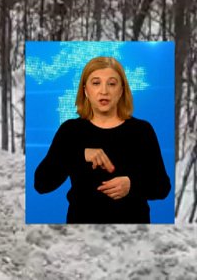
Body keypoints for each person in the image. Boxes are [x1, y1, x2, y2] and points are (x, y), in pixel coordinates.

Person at [33, 56, 171, 224]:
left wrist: (132, 185)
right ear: (85, 90)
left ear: (121, 91)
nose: (104, 91)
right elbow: (41, 184)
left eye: (112, 84)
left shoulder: (142, 130)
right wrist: (79, 154)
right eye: (96, 83)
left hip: (133, 233)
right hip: (81, 233)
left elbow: (162, 187)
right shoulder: (70, 131)